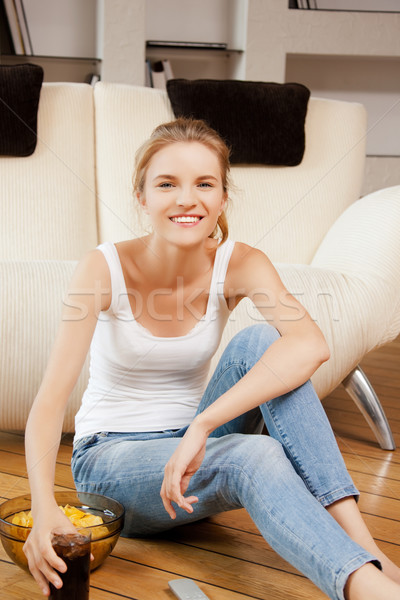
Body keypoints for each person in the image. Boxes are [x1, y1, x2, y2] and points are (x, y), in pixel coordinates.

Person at [24, 118, 400, 600]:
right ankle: (367, 589)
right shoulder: (103, 268)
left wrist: (202, 426)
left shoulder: (240, 262)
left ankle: (364, 547)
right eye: (167, 184)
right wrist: (42, 508)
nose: (187, 199)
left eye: (205, 183)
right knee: (254, 454)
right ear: (142, 198)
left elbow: (310, 345)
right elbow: (51, 401)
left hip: (193, 450)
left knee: (265, 340)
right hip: (113, 462)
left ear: (223, 197)